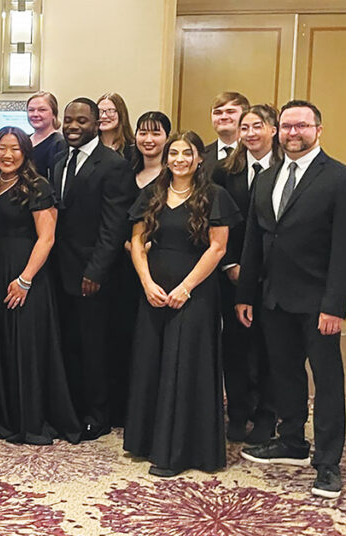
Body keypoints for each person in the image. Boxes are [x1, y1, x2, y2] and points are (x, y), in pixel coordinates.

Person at [237, 100, 346, 500]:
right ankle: (291, 440)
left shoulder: (343, 179)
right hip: (273, 297)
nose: (294, 133)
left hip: (318, 302)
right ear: (279, 131)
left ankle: (327, 462)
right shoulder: (267, 177)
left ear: (318, 130)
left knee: (326, 381)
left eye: (302, 126)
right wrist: (246, 295)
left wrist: (335, 306)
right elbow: (255, 241)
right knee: (284, 373)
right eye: (288, 126)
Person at [123, 130, 240, 477]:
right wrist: (146, 283)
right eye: (173, 153)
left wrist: (186, 288)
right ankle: (147, 442)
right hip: (154, 290)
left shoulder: (214, 195)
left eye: (186, 153)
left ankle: (177, 451)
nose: (179, 159)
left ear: (199, 158)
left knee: (185, 365)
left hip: (195, 293)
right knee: (152, 363)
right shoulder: (153, 193)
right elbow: (136, 239)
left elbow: (217, 248)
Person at [0, 126, 80, 445]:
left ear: (25, 152)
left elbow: (47, 238)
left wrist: (25, 279)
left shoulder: (37, 187)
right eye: (2, 148)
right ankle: (2, 414)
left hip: (26, 274)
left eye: (15, 149)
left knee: (24, 344)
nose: (7, 155)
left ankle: (28, 417)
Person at [50, 97, 134, 440]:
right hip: (59, 272)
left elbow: (113, 227)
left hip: (93, 276)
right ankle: (72, 408)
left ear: (97, 123)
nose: (73, 126)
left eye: (81, 121)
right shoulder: (57, 162)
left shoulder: (113, 165)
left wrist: (95, 272)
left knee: (95, 348)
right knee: (68, 343)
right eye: (69, 120)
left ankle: (98, 415)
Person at [213, 104, 281, 444]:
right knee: (236, 347)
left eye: (257, 126)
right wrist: (228, 265)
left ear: (273, 129)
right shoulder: (227, 170)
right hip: (233, 273)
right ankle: (237, 413)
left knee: (270, 348)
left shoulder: (287, 169)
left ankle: (267, 415)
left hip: (275, 278)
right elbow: (218, 220)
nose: (251, 133)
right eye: (245, 128)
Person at [107, 110, 172, 426]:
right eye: (143, 133)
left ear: (167, 138)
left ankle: (154, 410)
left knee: (154, 338)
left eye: (156, 133)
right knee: (122, 334)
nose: (149, 139)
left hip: (159, 268)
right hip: (122, 267)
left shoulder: (174, 176)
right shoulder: (123, 171)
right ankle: (124, 408)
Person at [26, 91, 69, 181]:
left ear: (54, 114)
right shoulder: (23, 141)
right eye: (31, 110)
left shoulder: (60, 144)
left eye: (42, 110)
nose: (35, 114)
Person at [204, 92, 250, 164]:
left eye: (230, 112)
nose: (224, 117)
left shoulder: (254, 153)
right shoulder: (201, 156)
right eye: (218, 113)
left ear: (245, 116)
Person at [97, 92, 136, 160]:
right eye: (100, 111)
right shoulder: (89, 146)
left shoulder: (133, 149)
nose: (103, 116)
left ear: (121, 114)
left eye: (110, 111)